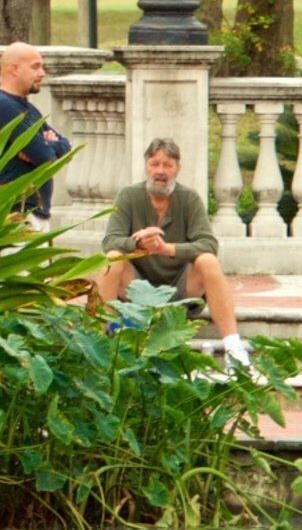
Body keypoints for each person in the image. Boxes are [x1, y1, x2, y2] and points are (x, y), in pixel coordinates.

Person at [87, 138, 251, 365]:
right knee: (112, 259)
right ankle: (98, 339)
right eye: (155, 164)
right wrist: (139, 245)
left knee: (208, 261)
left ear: (178, 169)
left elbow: (209, 244)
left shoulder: (190, 199)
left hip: (180, 290)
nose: (160, 171)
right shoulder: (128, 196)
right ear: (146, 165)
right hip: (136, 288)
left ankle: (234, 348)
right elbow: (110, 241)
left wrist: (166, 249)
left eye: (167, 165)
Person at [0, 41, 69, 222]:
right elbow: (45, 157)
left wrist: (48, 144)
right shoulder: (3, 107)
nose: (42, 74)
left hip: (35, 212)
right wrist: (46, 145)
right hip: (16, 214)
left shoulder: (28, 108)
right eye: (35, 67)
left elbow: (66, 146)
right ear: (14, 69)